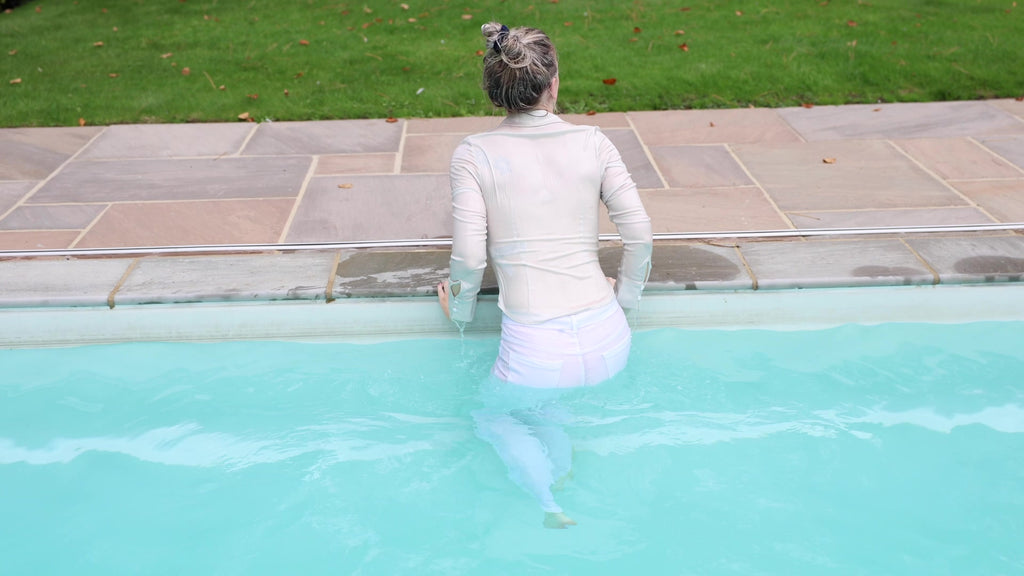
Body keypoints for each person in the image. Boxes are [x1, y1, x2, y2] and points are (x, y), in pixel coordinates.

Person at [436, 22, 653, 529]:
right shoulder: (594, 142)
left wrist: (461, 311)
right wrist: (623, 301)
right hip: (609, 342)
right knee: (548, 412)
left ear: (494, 90)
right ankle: (564, 471)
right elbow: (640, 234)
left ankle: (548, 503)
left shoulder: (474, 153)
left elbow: (468, 257)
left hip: (535, 352)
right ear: (553, 83)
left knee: (491, 416)